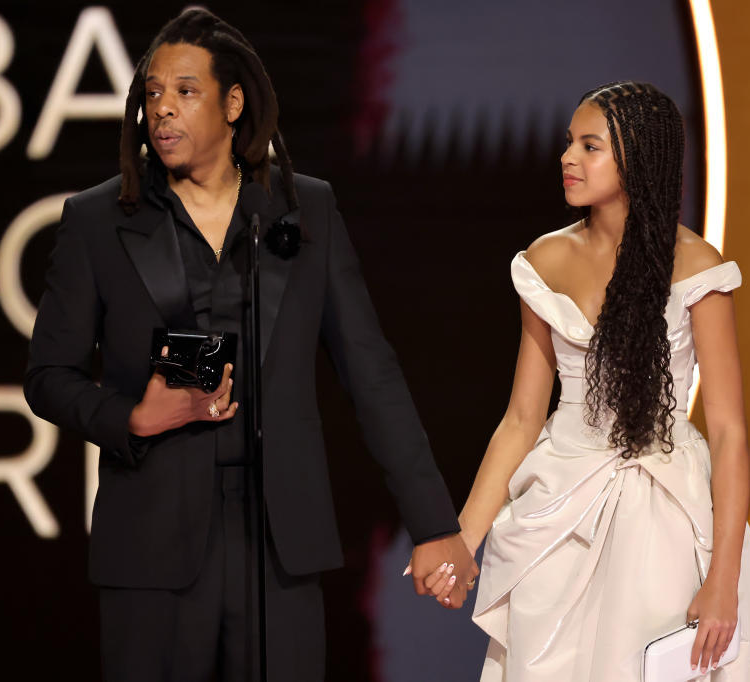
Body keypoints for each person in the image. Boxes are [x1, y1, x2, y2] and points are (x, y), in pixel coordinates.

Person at [24, 8, 477, 682]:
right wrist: (131, 417)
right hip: (151, 549)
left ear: (233, 102)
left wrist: (434, 522)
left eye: (185, 91)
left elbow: (371, 372)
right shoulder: (97, 219)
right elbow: (48, 376)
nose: (163, 110)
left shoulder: (304, 209)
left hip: (279, 546)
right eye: (151, 93)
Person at [422, 82, 750, 680]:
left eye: (590, 146)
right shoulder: (544, 261)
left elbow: (728, 431)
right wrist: (466, 538)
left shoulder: (697, 266)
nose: (569, 158)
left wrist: (723, 577)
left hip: (667, 515)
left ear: (637, 156)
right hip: (560, 509)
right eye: (569, 143)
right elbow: (521, 418)